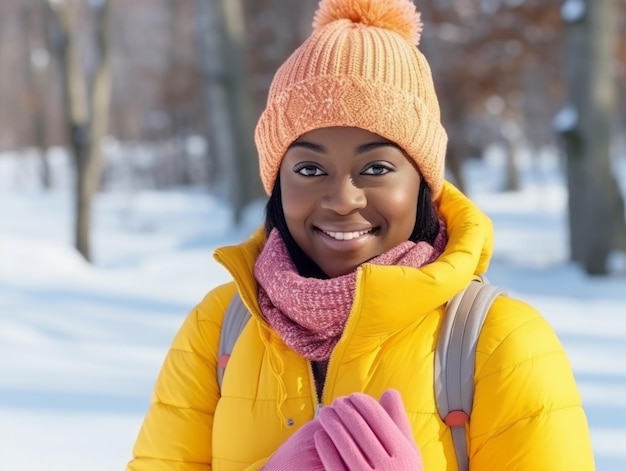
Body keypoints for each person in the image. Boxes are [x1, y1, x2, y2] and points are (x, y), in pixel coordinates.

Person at [126, 0, 595, 469]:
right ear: (277, 182)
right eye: (310, 168)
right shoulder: (219, 329)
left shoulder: (497, 342)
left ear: (422, 183)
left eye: (376, 168)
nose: (342, 199)